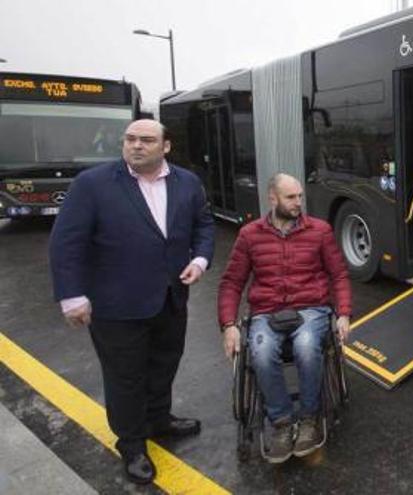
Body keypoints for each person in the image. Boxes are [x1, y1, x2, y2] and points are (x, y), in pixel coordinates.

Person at [48, 119, 214, 485]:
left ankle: (158, 420)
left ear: (165, 146)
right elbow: (66, 243)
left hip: (171, 297)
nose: (136, 145)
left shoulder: (187, 182)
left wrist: (200, 260)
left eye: (147, 140)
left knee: (164, 364)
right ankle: (133, 444)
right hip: (116, 305)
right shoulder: (92, 185)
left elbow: (203, 225)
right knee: (126, 376)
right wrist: (72, 295)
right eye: (130, 139)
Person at [217, 173, 352, 463]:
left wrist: (343, 314)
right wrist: (228, 325)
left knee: (306, 345)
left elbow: (339, 274)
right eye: (291, 197)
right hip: (267, 311)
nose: (298, 202)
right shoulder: (250, 235)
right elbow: (231, 283)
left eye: (300, 196)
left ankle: (308, 419)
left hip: (311, 307)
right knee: (262, 352)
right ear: (273, 198)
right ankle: (280, 423)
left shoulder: (320, 231)